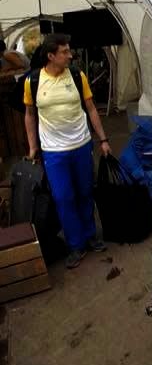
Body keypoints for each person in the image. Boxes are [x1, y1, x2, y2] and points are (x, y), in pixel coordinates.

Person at [24, 33, 111, 269]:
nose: (70, 55)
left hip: (81, 145)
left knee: (85, 192)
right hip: (53, 152)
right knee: (63, 197)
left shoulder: (76, 76)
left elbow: (91, 108)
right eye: (64, 52)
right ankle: (75, 244)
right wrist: (33, 147)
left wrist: (103, 139)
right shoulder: (33, 81)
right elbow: (29, 115)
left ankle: (90, 236)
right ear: (51, 56)